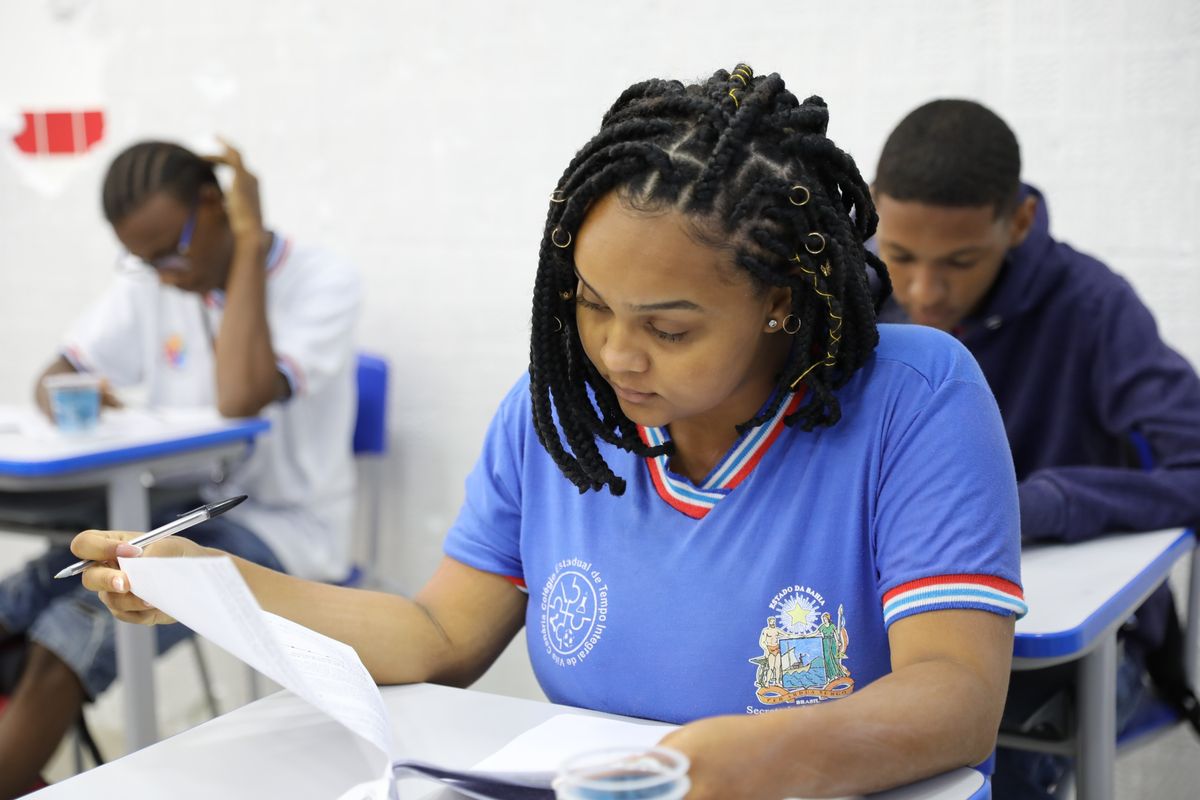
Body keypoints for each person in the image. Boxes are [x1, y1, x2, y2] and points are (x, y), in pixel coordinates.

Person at [74, 67, 1024, 799]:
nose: (617, 354)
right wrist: (219, 585)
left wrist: (737, 761)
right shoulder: (559, 412)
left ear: (779, 303)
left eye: (669, 327)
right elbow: (439, 633)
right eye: (591, 305)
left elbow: (955, 696)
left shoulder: (915, 397)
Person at [0, 140, 360, 797]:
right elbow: (55, 374)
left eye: (171, 250)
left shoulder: (322, 280)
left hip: (277, 533)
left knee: (66, 637)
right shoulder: (154, 276)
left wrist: (247, 248)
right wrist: (78, 394)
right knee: (13, 607)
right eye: (143, 260)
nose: (162, 273)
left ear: (214, 205)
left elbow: (240, 395)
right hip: (165, 512)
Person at [871, 99, 1200, 798]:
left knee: (981, 761)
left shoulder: (1094, 307)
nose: (925, 292)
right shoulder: (855, 296)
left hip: (1076, 656)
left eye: (960, 261)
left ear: (1017, 222)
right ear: (872, 215)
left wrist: (1050, 502)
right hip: (895, 626)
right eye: (900, 256)